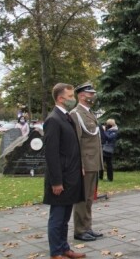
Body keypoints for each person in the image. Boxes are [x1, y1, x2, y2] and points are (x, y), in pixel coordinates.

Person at [43, 83, 85, 259]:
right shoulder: (53, 119)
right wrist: (56, 181)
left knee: (65, 216)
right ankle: (56, 252)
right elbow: (51, 154)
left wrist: (79, 166)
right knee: (57, 217)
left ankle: (64, 247)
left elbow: (71, 148)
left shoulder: (66, 117)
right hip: (61, 178)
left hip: (71, 175)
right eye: (70, 96)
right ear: (60, 98)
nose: (73, 99)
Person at [70, 83, 104, 242]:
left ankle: (87, 227)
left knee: (89, 197)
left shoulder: (89, 113)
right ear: (81, 95)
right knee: (82, 198)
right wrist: (80, 164)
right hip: (86, 163)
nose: (93, 96)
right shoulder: (76, 114)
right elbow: (75, 142)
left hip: (94, 161)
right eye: (90, 94)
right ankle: (79, 230)